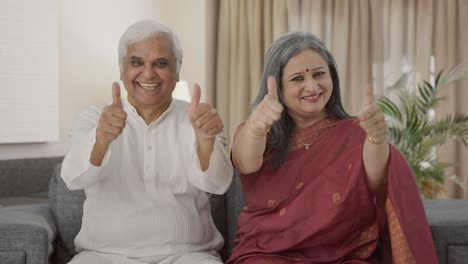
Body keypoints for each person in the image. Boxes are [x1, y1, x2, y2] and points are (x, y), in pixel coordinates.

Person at [226, 32, 438, 264]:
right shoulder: (258, 130)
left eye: (319, 74)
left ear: (332, 78)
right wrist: (256, 128)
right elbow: (245, 163)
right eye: (298, 79)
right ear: (277, 85)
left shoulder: (356, 132)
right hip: (267, 254)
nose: (312, 85)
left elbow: (377, 179)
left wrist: (377, 141)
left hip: (343, 254)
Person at [61, 19, 233, 264]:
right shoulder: (93, 119)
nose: (149, 73)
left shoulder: (199, 118)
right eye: (136, 63)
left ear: (177, 71)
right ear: (122, 70)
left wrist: (205, 141)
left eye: (161, 63)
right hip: (103, 256)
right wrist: (101, 140)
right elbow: (73, 179)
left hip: (188, 255)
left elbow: (218, 185)